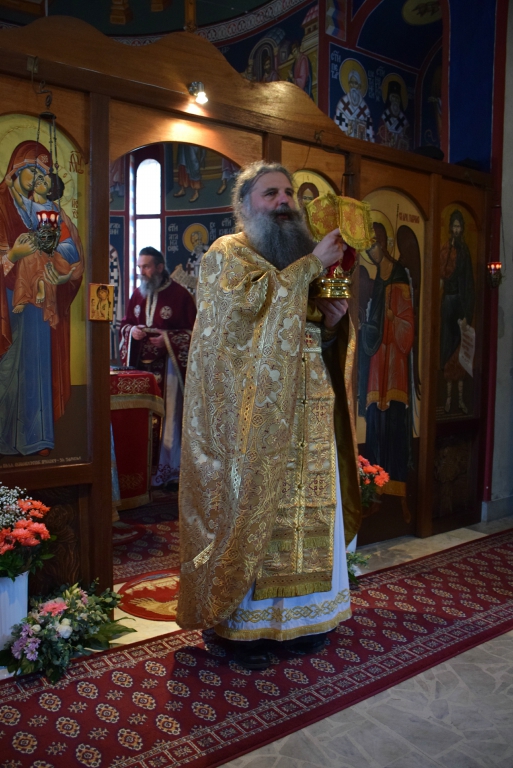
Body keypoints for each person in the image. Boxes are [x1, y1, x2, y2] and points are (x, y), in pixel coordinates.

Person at [177, 161, 361, 670]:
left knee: (308, 507)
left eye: (288, 193)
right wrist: (310, 268)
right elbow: (235, 329)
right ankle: (243, 628)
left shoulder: (305, 255)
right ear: (244, 206)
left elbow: (317, 328)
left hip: (308, 408)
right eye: (269, 193)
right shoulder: (227, 253)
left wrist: (333, 323)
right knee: (257, 507)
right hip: (250, 418)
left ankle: (306, 620)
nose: (283, 201)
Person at [0, 141, 84, 457]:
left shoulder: (46, 209)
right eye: (33, 171)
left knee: (37, 367)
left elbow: (69, 249)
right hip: (8, 302)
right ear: (16, 169)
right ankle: (5, 440)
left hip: (41, 301)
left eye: (43, 174)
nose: (38, 179)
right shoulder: (2, 205)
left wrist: (63, 275)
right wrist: (14, 255)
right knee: (8, 369)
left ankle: (37, 439)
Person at [120, 246, 197, 488]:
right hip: (141, 369)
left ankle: (169, 471)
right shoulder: (137, 294)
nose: (141, 272)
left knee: (169, 418)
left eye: (146, 266)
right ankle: (143, 469)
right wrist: (132, 331)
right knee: (142, 418)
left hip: (170, 368)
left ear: (160, 267)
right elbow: (125, 325)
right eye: (139, 267)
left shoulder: (180, 295)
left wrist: (167, 339)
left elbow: (196, 333)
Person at [358, 222, 415, 519]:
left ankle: (398, 491)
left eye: (374, 245)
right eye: (367, 248)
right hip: (377, 361)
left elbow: (408, 324)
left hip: (394, 365)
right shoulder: (377, 282)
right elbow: (373, 319)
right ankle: (374, 492)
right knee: (375, 424)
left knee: (393, 424)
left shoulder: (399, 275)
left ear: (383, 243)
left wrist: (395, 319)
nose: (372, 252)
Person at [440, 210, 475, 414]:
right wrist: (449, 252)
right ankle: (447, 398)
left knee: (460, 352)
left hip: (460, 304)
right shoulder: (446, 248)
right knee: (447, 349)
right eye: (454, 226)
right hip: (448, 303)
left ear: (462, 229)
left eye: (459, 226)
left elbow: (468, 281)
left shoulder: (465, 251)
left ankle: (460, 399)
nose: (456, 230)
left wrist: (468, 313)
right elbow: (442, 272)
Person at [335, 69, 374, 142]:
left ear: (359, 86)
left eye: (355, 83)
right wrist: (347, 132)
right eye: (351, 83)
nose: (353, 86)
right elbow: (336, 132)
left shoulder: (364, 108)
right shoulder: (343, 104)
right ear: (348, 84)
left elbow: (370, 135)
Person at [377, 80, 410, 150]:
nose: (395, 100)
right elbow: (380, 136)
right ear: (390, 98)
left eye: (397, 98)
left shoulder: (403, 120)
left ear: (399, 100)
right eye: (393, 97)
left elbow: (407, 138)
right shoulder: (385, 116)